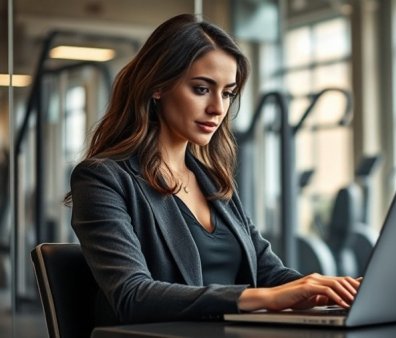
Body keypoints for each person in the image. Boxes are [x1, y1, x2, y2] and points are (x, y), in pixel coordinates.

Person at [67, 13, 360, 325]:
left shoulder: (215, 183)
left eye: (227, 93)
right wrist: (258, 298)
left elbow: (268, 272)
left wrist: (328, 289)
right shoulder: (102, 179)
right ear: (157, 87)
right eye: (201, 89)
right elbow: (132, 295)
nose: (218, 108)